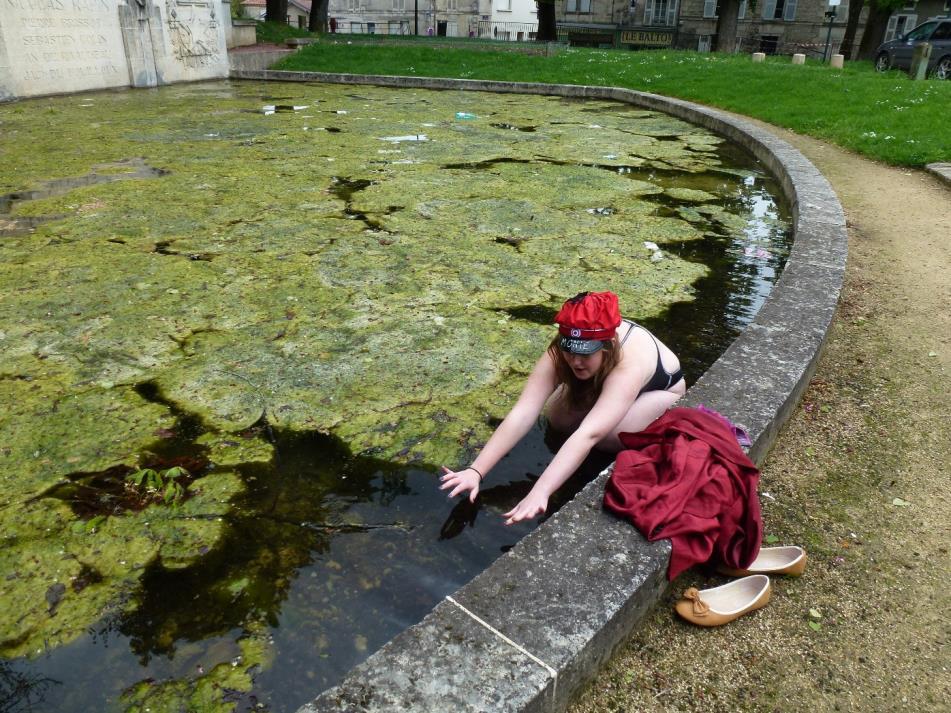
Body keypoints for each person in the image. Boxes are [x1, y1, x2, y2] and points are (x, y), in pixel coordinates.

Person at [439, 291, 686, 525]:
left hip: (659, 390)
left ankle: (610, 420)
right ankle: (603, 407)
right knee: (557, 417)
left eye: (585, 354)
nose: (575, 361)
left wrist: (540, 492)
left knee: (608, 436)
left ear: (607, 346)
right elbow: (524, 411)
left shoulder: (627, 365)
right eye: (569, 351)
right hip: (604, 380)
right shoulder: (561, 351)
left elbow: (588, 433)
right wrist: (476, 470)